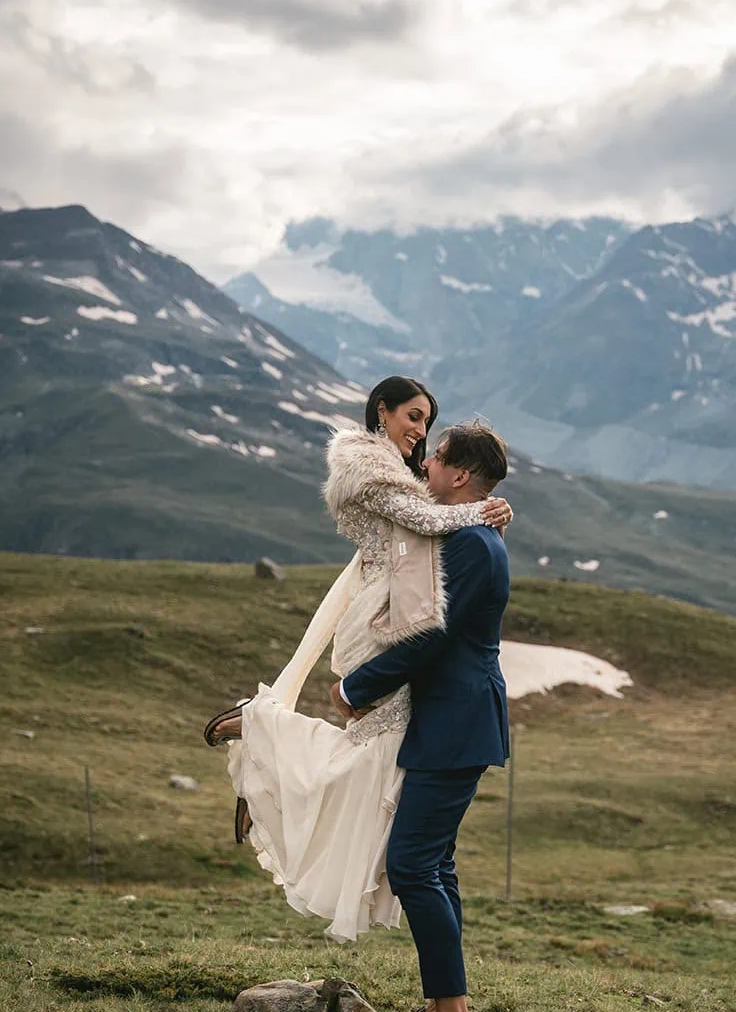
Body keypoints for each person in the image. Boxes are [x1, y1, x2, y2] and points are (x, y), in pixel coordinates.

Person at [202, 377, 511, 954]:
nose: (422, 435)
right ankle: (265, 737)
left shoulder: (405, 476)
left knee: (369, 767)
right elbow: (425, 522)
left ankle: (265, 738)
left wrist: (484, 506)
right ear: (381, 411)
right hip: (382, 629)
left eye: (429, 426)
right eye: (414, 418)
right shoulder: (363, 469)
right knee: (366, 766)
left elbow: (433, 508)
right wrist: (483, 511)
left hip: (396, 619)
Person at [332, 422, 511, 1012]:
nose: (427, 463)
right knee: (436, 864)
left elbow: (431, 635)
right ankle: (444, 1006)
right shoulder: (476, 533)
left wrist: (357, 687)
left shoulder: (470, 545)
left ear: (460, 475)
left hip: (454, 722)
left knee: (412, 864)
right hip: (460, 720)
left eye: (437, 457)